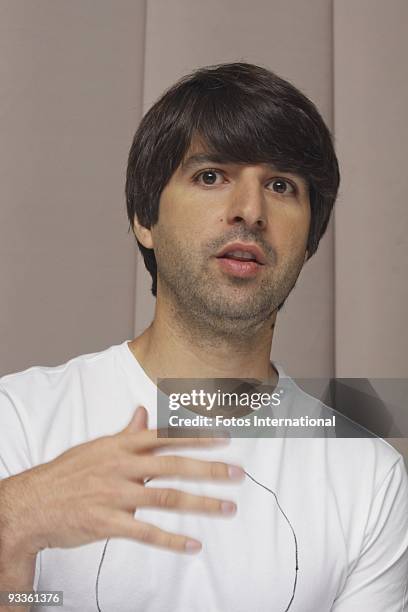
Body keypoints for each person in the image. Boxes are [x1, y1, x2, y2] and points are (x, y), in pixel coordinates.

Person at [0, 62, 407, 612]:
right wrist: (15, 519)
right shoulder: (18, 423)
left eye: (281, 185)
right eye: (211, 176)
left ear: (309, 240)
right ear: (146, 218)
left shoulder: (370, 478)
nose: (249, 211)